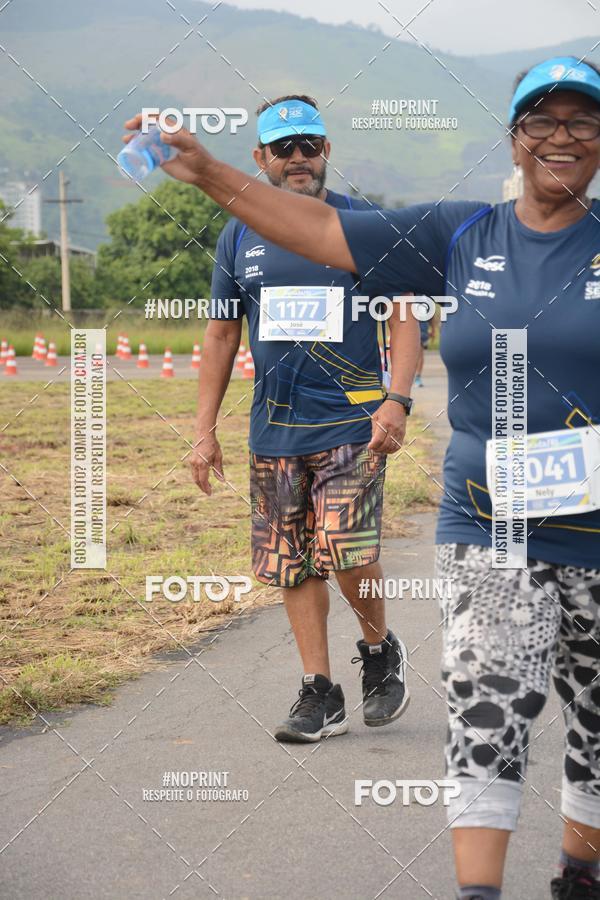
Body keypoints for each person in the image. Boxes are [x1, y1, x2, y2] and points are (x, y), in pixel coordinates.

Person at [124, 54, 600, 898]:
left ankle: (576, 873)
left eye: (583, 121)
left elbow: (396, 321)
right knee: (484, 713)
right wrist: (200, 171)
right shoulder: (460, 233)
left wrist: (393, 400)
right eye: (542, 120)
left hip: (572, 522)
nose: (562, 136)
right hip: (481, 522)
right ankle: (471, 883)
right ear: (516, 138)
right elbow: (294, 247)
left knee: (592, 733)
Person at [181, 95, 418, 743]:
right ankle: (320, 691)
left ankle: (378, 649)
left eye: (308, 145)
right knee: (292, 565)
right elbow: (222, 335)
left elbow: (404, 317)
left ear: (326, 152)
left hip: (352, 424)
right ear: (259, 158)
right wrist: (203, 430)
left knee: (342, 548)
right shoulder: (238, 233)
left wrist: (398, 399)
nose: (297, 158)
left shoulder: (362, 225)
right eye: (282, 148)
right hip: (274, 434)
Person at [414, 306, 436, 387]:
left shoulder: (427, 298)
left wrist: (433, 330)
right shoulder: (407, 295)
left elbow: (432, 316)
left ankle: (418, 377)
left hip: (423, 331)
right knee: (414, 355)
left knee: (419, 354)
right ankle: (415, 377)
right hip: (410, 330)